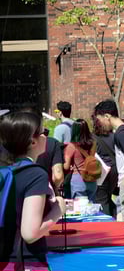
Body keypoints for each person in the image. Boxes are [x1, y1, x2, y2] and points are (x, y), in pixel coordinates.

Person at [0, 111, 66, 269]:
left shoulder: (7, 170)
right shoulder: (35, 174)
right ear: (32, 141)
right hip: (25, 261)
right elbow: (30, 233)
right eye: (44, 132)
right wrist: (58, 210)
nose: (46, 137)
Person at [63, 119, 98, 202]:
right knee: (91, 209)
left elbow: (66, 166)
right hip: (92, 179)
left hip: (78, 179)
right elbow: (91, 158)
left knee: (80, 209)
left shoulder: (71, 146)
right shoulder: (93, 143)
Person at [93, 114, 118, 218]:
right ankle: (113, 216)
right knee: (108, 196)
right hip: (114, 169)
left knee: (102, 198)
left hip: (102, 171)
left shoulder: (93, 137)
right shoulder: (113, 136)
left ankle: (108, 221)